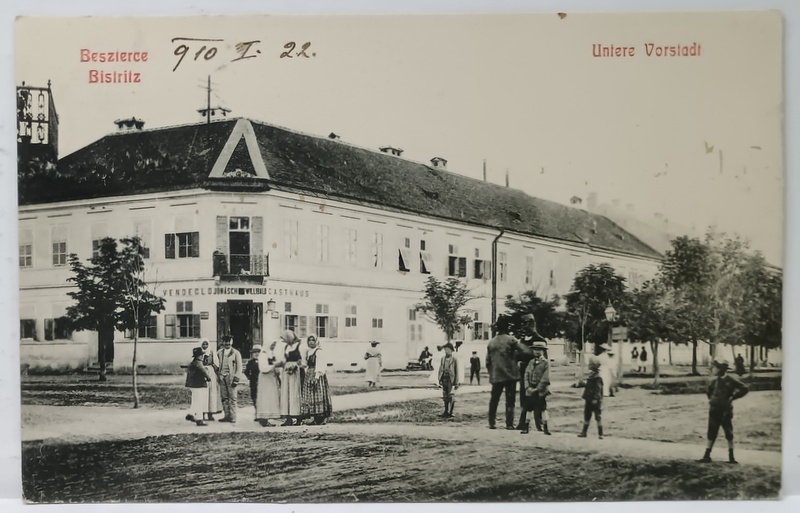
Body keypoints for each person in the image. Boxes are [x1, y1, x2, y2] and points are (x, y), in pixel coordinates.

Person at [486, 314, 534, 430]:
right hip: (510, 375)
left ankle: (492, 422)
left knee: (494, 399)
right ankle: (509, 424)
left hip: (496, 375)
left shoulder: (491, 342)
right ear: (507, 327)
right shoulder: (511, 340)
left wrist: (491, 373)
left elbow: (488, 361)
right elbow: (526, 352)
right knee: (510, 400)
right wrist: (517, 357)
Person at [699, 357, 749, 464]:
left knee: (728, 432)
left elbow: (744, 388)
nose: (712, 369)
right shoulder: (714, 382)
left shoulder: (730, 380)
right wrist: (713, 400)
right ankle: (706, 455)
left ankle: (731, 457)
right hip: (714, 410)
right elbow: (709, 392)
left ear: (720, 368)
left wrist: (733, 397)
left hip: (725, 411)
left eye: (715, 367)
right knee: (711, 432)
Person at [515, 313, 547, 430]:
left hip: (537, 374)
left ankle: (540, 424)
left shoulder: (539, 340)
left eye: (526, 324)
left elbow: (544, 360)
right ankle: (523, 422)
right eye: (523, 324)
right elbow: (517, 356)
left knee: (539, 399)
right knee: (525, 398)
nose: (524, 327)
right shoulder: (522, 340)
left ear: (532, 324)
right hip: (524, 374)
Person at [301, 335, 333, 425]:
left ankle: (320, 417)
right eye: (309, 340)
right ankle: (312, 416)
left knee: (317, 394)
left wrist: (316, 376)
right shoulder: (308, 351)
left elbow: (320, 365)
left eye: (313, 340)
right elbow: (306, 364)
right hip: (309, 373)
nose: (311, 342)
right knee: (309, 395)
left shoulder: (319, 351)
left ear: (316, 341)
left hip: (316, 374)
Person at [521, 340, 551, 435]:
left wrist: (537, 389)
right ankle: (526, 427)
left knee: (543, 408)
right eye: (535, 350)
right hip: (530, 389)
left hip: (540, 390)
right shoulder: (531, 362)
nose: (537, 352)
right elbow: (526, 375)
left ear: (543, 351)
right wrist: (527, 387)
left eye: (539, 350)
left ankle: (545, 427)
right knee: (528, 408)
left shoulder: (545, 363)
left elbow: (545, 378)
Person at [276, 329, 305, 426]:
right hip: (286, 373)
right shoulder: (286, 347)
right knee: (286, 394)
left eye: (285, 339)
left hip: (296, 372)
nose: (284, 341)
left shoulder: (300, 346)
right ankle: (288, 418)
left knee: (295, 393)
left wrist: (295, 366)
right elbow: (284, 359)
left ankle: (298, 418)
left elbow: (303, 361)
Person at [579, 342, 607, 439]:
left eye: (590, 364)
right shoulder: (591, 376)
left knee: (597, 416)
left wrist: (595, 398)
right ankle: (584, 432)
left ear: (594, 366)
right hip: (588, 398)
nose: (589, 366)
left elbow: (598, 389)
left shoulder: (597, 377)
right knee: (587, 415)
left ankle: (600, 433)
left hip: (595, 400)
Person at [216, 334, 243, 423]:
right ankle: (226, 415)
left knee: (232, 398)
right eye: (225, 342)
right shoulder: (219, 353)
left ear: (231, 342)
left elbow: (239, 367)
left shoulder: (236, 353)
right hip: (222, 377)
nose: (227, 344)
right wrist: (218, 375)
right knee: (224, 397)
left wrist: (236, 379)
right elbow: (216, 364)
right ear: (223, 342)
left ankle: (233, 416)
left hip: (231, 378)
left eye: (229, 342)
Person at [255, 340, 281, 427]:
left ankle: (267, 418)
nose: (273, 346)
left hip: (271, 379)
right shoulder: (263, 354)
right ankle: (263, 419)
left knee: (271, 398)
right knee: (265, 398)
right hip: (265, 379)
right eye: (272, 344)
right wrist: (274, 366)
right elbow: (263, 368)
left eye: (274, 345)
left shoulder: (271, 354)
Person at [184, 347, 211, 426]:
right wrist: (208, 378)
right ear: (198, 356)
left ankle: (191, 414)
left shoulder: (193, 362)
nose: (202, 356)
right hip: (198, 385)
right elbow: (204, 371)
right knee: (199, 402)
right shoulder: (199, 363)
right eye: (201, 355)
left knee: (195, 401)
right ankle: (199, 419)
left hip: (193, 385)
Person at [200, 338, 222, 421]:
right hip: (201, 373)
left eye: (206, 344)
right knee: (203, 393)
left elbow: (216, 363)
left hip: (211, 373)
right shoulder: (198, 352)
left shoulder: (212, 352)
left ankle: (210, 414)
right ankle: (202, 414)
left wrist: (214, 367)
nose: (205, 346)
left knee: (211, 393)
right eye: (203, 344)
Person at [437, 342, 461, 417]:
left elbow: (456, 371)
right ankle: (446, 411)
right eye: (445, 350)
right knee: (445, 396)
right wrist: (439, 379)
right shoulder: (443, 359)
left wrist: (456, 382)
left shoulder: (454, 359)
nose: (446, 351)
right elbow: (440, 369)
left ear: (451, 350)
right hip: (444, 378)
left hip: (451, 380)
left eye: (447, 350)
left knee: (451, 395)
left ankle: (451, 412)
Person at [244, 345, 262, 418]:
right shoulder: (250, 362)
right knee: (254, 397)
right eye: (255, 352)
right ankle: (257, 412)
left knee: (261, 398)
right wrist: (249, 377)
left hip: (262, 382)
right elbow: (246, 371)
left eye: (258, 352)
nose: (256, 354)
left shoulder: (263, 361)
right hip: (253, 382)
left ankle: (261, 413)